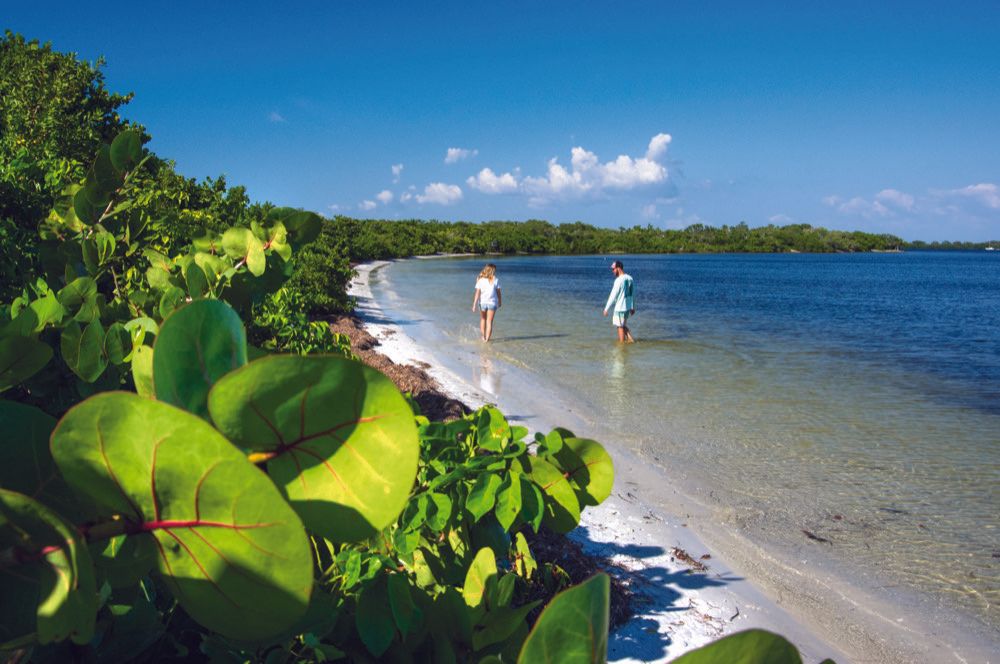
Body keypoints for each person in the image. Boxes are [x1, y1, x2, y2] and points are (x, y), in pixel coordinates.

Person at [603, 260, 635, 343]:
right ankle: (630, 340)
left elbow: (613, 295)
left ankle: (622, 344)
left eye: (613, 269)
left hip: (620, 307)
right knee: (622, 325)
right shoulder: (630, 278)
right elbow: (632, 294)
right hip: (627, 307)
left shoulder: (618, 280)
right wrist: (632, 307)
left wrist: (606, 308)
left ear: (618, 268)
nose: (612, 271)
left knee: (619, 326)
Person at [472, 263, 502, 341]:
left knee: (483, 319)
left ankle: (483, 337)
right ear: (492, 271)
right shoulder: (495, 280)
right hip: (492, 303)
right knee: (489, 322)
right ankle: (487, 340)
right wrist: (500, 301)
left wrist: (474, 304)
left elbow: (477, 293)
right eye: (494, 270)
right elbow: (499, 293)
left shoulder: (480, 280)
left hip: (482, 303)